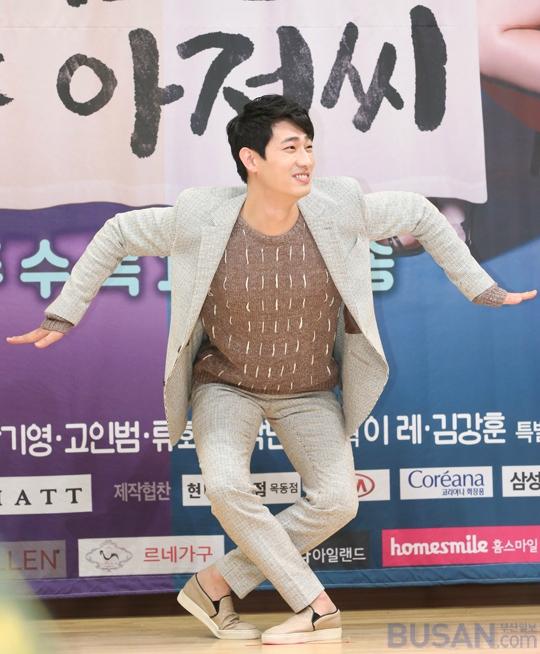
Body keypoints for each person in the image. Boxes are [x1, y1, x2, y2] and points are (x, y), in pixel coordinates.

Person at [5, 94, 536, 645]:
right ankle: (316, 606)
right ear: (251, 159)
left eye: (309, 147)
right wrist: (64, 312)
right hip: (225, 384)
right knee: (225, 486)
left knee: (338, 501)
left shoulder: (340, 205)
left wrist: (481, 289)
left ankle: (214, 584)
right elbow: (118, 232)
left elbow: (422, 214)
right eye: (290, 148)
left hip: (308, 391)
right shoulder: (200, 216)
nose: (305, 160)